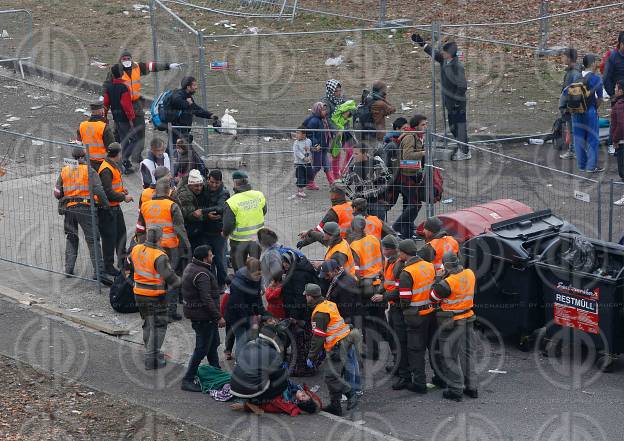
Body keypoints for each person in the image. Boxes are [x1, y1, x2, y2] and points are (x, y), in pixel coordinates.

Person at [102, 49, 182, 169]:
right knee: (120, 134)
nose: (127, 61)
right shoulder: (115, 70)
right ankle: (118, 157)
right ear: (120, 60)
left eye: (128, 59)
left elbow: (152, 66)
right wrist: (103, 99)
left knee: (140, 130)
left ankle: (136, 156)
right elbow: (107, 85)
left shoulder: (137, 67)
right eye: (124, 59)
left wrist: (168, 66)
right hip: (120, 106)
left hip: (136, 104)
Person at [54, 146, 111, 284]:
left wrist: (67, 195)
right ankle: (99, 272)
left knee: (71, 237)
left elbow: (57, 192)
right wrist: (106, 205)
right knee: (92, 240)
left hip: (69, 209)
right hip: (85, 208)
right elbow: (98, 189)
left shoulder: (65, 170)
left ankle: (68, 269)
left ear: (73, 157)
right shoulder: (89, 171)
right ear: (84, 156)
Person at [128, 226, 181, 370]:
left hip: (139, 293)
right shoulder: (159, 256)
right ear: (160, 238)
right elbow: (172, 279)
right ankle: (152, 359)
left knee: (147, 323)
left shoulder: (136, 249)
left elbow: (129, 264)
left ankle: (151, 352)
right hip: (155, 296)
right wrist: (181, 280)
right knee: (159, 326)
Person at [137, 177, 191, 321]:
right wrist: (187, 248)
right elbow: (180, 229)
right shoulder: (172, 206)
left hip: (152, 247)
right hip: (171, 248)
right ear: (169, 191)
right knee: (172, 278)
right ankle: (171, 311)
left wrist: (142, 246)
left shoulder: (145, 205)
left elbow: (140, 229)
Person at [412, 34, 470, 161]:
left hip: (457, 104)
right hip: (450, 103)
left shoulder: (457, 66)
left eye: (444, 51)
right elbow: (435, 53)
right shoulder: (445, 60)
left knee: (460, 128)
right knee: (453, 127)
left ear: (450, 54)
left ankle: (465, 152)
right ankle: (462, 147)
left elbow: (462, 86)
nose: (442, 53)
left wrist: (455, 101)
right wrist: (422, 44)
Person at [305, 283, 359, 416]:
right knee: (334, 375)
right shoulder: (329, 304)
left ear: (311, 297)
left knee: (330, 377)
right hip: (345, 340)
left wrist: (311, 356)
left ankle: (351, 393)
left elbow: (318, 337)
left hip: (338, 345)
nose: (305, 298)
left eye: (306, 295)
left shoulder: (320, 313)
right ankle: (336, 406)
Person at [430, 252, 478, 401]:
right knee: (468, 354)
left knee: (449, 356)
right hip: (468, 318)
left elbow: (433, 296)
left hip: (452, 323)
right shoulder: (470, 273)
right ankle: (472, 387)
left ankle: (456, 389)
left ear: (445, 266)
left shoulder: (447, 283)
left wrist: (438, 277)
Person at [180, 245, 226, 392]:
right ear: (205, 258)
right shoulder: (202, 274)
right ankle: (187, 379)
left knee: (213, 344)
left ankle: (216, 371)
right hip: (203, 317)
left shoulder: (191, 267)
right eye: (211, 255)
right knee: (201, 348)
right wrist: (218, 317)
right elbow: (206, 298)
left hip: (199, 315)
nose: (213, 257)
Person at [397, 238, 437, 393]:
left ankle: (419, 383)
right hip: (431, 313)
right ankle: (440, 377)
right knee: (433, 346)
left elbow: (405, 300)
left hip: (415, 316)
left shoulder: (406, 273)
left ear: (403, 253)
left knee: (416, 350)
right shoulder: (429, 266)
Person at [349, 216, 386, 360]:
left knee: (368, 322)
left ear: (353, 229)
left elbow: (356, 272)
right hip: (380, 285)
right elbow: (382, 260)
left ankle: (374, 352)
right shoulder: (374, 239)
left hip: (367, 289)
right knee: (380, 317)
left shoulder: (354, 246)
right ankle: (390, 347)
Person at [97, 143, 133, 276]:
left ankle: (122, 261)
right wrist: (124, 197)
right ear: (117, 154)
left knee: (121, 234)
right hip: (107, 209)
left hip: (114, 207)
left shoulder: (111, 165)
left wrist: (121, 190)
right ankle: (108, 266)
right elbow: (107, 192)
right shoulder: (106, 169)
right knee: (109, 238)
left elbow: (113, 188)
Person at [370, 234, 403, 376]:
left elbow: (398, 289)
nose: (381, 249)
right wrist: (380, 290)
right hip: (392, 303)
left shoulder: (397, 265)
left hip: (398, 305)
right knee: (393, 335)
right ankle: (398, 363)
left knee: (396, 336)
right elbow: (387, 282)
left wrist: (382, 296)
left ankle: (399, 365)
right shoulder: (389, 261)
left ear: (389, 249)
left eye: (384, 247)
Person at [393, 115, 428, 239]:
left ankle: (406, 235)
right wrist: (424, 153)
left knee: (409, 205)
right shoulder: (410, 137)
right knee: (415, 205)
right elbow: (407, 155)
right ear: (416, 126)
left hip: (414, 174)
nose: (425, 127)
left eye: (426, 124)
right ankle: (396, 227)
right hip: (406, 175)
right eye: (423, 125)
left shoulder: (418, 137)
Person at [222, 170, 266, 271]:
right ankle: (255, 285)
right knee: (255, 266)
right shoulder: (259, 195)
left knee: (239, 268)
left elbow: (229, 224)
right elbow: (263, 211)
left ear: (235, 182)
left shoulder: (232, 201)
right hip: (256, 238)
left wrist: (224, 233)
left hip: (238, 241)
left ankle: (241, 285)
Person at [568, 54, 604, 173]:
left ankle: (581, 165)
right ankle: (590, 167)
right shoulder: (596, 78)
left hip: (576, 111)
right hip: (589, 111)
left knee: (578, 139)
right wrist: (593, 108)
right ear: (593, 63)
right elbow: (599, 99)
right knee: (592, 139)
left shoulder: (576, 77)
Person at [224, 257, 265, 354]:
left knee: (251, 339)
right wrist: (249, 322)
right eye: (257, 274)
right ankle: (240, 365)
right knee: (242, 340)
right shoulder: (238, 284)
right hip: (236, 316)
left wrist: (261, 312)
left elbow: (257, 296)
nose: (260, 276)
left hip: (248, 313)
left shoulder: (256, 278)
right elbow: (239, 306)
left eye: (261, 273)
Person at [168, 76, 219, 151]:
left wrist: (210, 115)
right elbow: (177, 101)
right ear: (188, 87)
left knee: (174, 151)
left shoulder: (187, 96)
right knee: (177, 152)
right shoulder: (178, 95)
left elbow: (195, 109)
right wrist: (188, 103)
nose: (196, 87)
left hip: (183, 130)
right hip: (177, 130)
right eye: (194, 85)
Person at [341, 144, 391, 220]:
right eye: (353, 154)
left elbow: (388, 178)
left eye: (356, 154)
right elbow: (343, 185)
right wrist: (354, 197)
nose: (354, 156)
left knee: (379, 227)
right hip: (361, 205)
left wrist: (383, 190)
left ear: (364, 153)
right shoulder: (353, 168)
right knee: (362, 229)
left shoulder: (377, 163)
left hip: (378, 202)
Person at [297, 182, 352, 248]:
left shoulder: (334, 212)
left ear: (334, 195)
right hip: (356, 241)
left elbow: (318, 230)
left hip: (342, 244)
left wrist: (304, 242)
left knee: (324, 236)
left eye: (331, 193)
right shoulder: (352, 205)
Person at [103, 65, 136, 174]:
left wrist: (105, 116)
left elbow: (106, 103)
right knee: (132, 140)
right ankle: (124, 163)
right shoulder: (124, 87)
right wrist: (131, 119)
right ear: (121, 73)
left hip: (116, 118)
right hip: (124, 119)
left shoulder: (109, 87)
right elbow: (126, 105)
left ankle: (120, 164)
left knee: (121, 140)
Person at [203, 169, 230, 287]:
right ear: (208, 180)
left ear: (221, 182)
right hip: (204, 231)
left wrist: (203, 212)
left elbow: (219, 208)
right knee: (208, 261)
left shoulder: (224, 193)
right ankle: (212, 284)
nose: (214, 185)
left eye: (217, 183)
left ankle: (222, 284)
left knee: (220, 260)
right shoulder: (203, 188)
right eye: (212, 182)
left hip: (219, 232)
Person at [173, 169, 209, 251]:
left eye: (200, 185)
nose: (199, 188)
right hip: (189, 228)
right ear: (189, 186)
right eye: (196, 186)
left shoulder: (203, 189)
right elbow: (189, 214)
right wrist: (206, 215)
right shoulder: (185, 195)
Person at [319, 259, 361, 325]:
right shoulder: (337, 280)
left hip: (346, 322)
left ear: (335, 271)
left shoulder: (345, 285)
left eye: (327, 275)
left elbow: (346, 309)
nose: (325, 278)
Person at [558, 48, 583, 160]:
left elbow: (573, 91)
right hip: (571, 106)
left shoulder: (573, 73)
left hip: (571, 107)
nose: (562, 58)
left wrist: (567, 106)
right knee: (573, 129)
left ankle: (574, 151)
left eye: (563, 56)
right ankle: (574, 150)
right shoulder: (573, 71)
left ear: (569, 58)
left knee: (573, 130)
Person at [303, 102, 333, 189]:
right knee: (317, 166)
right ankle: (309, 181)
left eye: (325, 110)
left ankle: (332, 183)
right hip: (317, 148)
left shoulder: (323, 120)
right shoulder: (314, 121)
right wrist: (316, 144)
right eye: (323, 110)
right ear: (318, 110)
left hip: (323, 146)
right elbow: (310, 134)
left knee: (327, 165)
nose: (325, 112)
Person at [77, 103, 115, 171]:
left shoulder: (82, 125)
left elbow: (78, 144)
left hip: (87, 161)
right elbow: (112, 147)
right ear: (100, 111)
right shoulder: (104, 127)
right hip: (102, 163)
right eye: (103, 110)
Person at [329, 100, 357, 180]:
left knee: (351, 152)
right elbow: (329, 120)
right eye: (348, 112)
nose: (349, 115)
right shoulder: (335, 118)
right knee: (336, 156)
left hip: (346, 134)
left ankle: (343, 171)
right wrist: (337, 130)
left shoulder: (348, 117)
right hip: (336, 136)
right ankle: (336, 177)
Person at [366, 80, 396, 147]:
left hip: (370, 130)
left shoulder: (369, 98)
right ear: (381, 90)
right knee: (378, 153)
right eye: (385, 89)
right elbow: (393, 109)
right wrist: (384, 99)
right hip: (378, 133)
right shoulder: (380, 103)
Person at [291, 125, 313, 199]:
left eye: (298, 133)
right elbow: (296, 152)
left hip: (308, 162)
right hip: (299, 163)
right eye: (296, 133)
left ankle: (303, 186)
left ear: (304, 134)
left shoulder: (309, 141)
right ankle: (300, 191)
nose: (296, 135)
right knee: (300, 176)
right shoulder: (296, 143)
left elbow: (310, 149)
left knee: (310, 175)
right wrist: (303, 158)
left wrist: (314, 149)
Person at [612, 81, 624, 205]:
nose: (614, 90)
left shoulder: (619, 105)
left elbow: (620, 124)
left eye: (616, 88)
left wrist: (615, 140)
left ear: (621, 91)